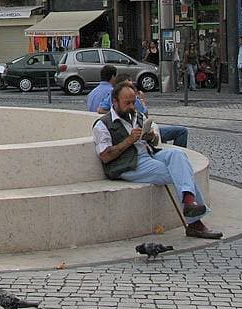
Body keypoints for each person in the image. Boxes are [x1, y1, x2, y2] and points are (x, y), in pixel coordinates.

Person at [93, 81, 221, 239]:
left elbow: (152, 143)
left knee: (178, 156)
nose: (132, 106)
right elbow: (105, 156)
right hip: (127, 164)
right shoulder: (102, 125)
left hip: (149, 154)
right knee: (179, 172)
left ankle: (189, 203)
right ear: (114, 102)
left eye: (134, 102)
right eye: (127, 103)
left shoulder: (137, 116)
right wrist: (128, 141)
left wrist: (151, 137)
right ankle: (195, 222)